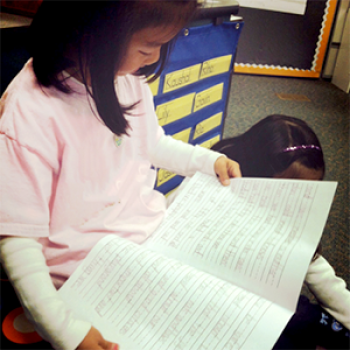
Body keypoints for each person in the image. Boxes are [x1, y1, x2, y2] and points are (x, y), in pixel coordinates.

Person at [0, 1, 241, 350]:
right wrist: (63, 328)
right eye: (148, 47)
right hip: (86, 276)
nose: (154, 59)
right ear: (93, 34)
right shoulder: (31, 112)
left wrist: (207, 161)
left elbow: (151, 143)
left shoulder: (125, 80)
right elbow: (18, 239)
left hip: (148, 247)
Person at [212, 114, 350, 350]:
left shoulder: (292, 215)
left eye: (308, 194)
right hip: (224, 307)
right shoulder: (216, 188)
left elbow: (316, 267)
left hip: (273, 300)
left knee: (330, 331)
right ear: (256, 176)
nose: (299, 204)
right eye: (291, 193)